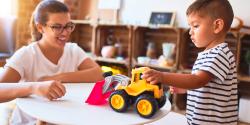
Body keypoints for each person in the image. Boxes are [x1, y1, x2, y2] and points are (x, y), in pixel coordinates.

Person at [0, 0, 103, 124]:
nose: (65, 33)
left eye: (68, 26)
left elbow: (98, 74)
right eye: (57, 27)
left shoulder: (73, 50)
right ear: (40, 27)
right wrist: (34, 87)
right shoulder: (27, 54)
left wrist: (55, 78)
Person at [142, 0, 238, 124]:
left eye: (196, 26)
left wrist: (162, 76)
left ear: (217, 26)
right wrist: (187, 89)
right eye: (190, 26)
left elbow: (197, 80)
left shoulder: (219, 54)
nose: (190, 31)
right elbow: (208, 86)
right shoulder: (210, 54)